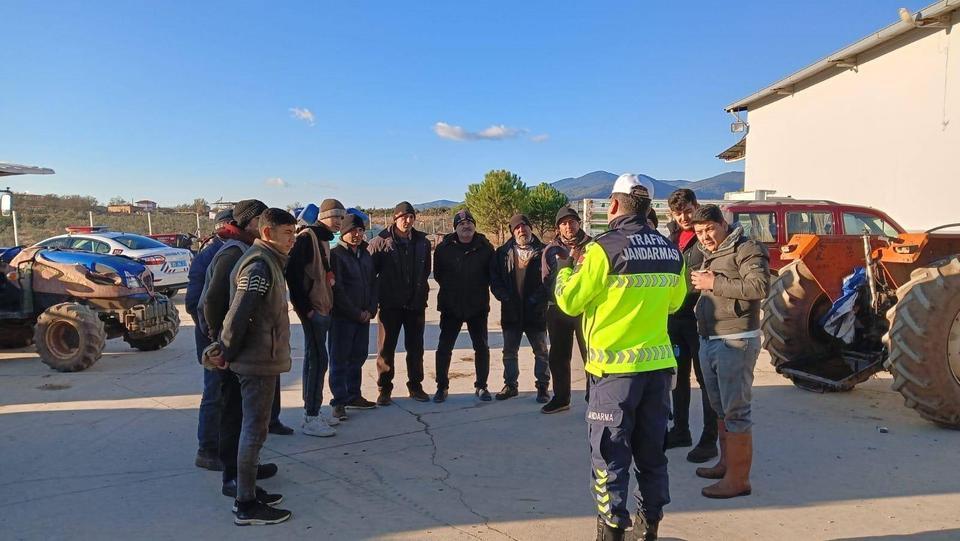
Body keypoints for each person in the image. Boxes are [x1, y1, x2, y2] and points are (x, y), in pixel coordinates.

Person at [555, 173, 685, 541]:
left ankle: (611, 531)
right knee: (652, 453)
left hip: (614, 373)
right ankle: (648, 528)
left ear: (613, 205)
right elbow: (675, 302)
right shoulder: (670, 250)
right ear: (649, 208)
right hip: (658, 371)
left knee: (609, 455)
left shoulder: (602, 250)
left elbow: (570, 301)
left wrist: (565, 271)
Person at [207, 208, 297, 525]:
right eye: (288, 233)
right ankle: (245, 504)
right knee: (253, 433)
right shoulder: (259, 266)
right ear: (268, 233)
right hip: (255, 361)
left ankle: (249, 492)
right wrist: (226, 350)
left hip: (263, 358)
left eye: (295, 233)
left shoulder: (269, 261)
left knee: (254, 432)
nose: (293, 239)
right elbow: (238, 313)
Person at [199, 200, 281, 503]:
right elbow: (211, 301)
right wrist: (219, 341)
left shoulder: (246, 249)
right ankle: (232, 476)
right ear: (249, 222)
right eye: (261, 218)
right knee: (231, 411)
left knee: (243, 411)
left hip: (237, 343)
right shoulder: (234, 251)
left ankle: (247, 469)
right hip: (228, 345)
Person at [689, 204, 770, 499]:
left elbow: (759, 286)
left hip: (736, 339)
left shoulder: (746, 248)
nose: (705, 236)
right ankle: (725, 464)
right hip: (710, 338)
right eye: (699, 232)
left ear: (722, 224)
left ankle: (738, 480)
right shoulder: (710, 252)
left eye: (710, 229)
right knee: (720, 408)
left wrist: (714, 282)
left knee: (736, 411)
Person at [664, 189, 719, 464]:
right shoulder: (671, 238)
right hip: (675, 318)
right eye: (679, 212)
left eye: (688, 210)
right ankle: (680, 430)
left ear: (696, 206)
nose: (684, 217)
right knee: (678, 377)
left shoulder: (707, 239)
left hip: (700, 320)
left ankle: (710, 439)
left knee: (705, 379)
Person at [286, 200, 345, 437]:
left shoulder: (322, 238)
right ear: (323, 216)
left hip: (322, 308)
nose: (340, 222)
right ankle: (311, 416)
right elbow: (293, 274)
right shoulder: (307, 238)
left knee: (317, 359)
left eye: (342, 217)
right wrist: (306, 309)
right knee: (317, 361)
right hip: (314, 311)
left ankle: (313, 410)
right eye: (336, 217)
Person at [368, 201, 432, 405]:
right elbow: (369, 273)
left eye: (411, 217)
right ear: (395, 218)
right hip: (390, 305)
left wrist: (422, 293)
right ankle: (384, 389)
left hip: (415, 305)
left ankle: (415, 386)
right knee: (386, 349)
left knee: (416, 349)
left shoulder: (422, 241)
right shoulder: (380, 241)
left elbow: (425, 271)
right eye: (403, 217)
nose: (408, 220)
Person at [432, 209, 495, 402]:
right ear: (455, 228)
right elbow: (438, 275)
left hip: (477, 307)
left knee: (482, 348)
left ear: (475, 226)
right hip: (451, 307)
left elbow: (491, 274)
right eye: (461, 224)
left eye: (469, 223)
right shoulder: (444, 248)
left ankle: (481, 386)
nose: (466, 226)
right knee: (444, 348)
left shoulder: (485, 247)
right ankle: (442, 387)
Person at [188, 208, 234, 470]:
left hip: (224, 338)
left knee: (227, 395)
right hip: (213, 340)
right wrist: (213, 335)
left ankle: (224, 446)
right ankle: (207, 450)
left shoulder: (229, 251)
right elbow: (195, 302)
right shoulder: (209, 256)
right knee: (215, 393)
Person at [490, 213, 550, 403]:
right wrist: (505, 298)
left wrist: (537, 299)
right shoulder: (502, 253)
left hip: (536, 311)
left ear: (530, 228)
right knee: (509, 352)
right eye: (517, 228)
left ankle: (542, 387)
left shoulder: (544, 252)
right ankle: (510, 385)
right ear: (512, 231)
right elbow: (495, 279)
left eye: (524, 226)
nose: (521, 230)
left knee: (541, 352)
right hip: (511, 311)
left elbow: (549, 280)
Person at [540, 206, 591, 414]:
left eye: (572, 222)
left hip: (584, 310)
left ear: (579, 223)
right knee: (559, 356)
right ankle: (561, 398)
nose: (568, 226)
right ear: (558, 227)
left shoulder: (592, 246)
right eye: (563, 223)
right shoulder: (550, 250)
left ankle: (594, 400)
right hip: (557, 310)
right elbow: (545, 279)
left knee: (591, 356)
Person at [328, 214, 379, 421]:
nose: (357, 235)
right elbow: (337, 290)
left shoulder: (366, 254)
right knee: (339, 359)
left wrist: (371, 309)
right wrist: (355, 312)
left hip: (363, 317)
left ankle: (354, 395)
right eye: (352, 231)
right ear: (343, 232)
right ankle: (339, 402)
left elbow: (373, 283)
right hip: (343, 318)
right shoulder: (336, 255)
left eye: (360, 230)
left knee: (358, 356)